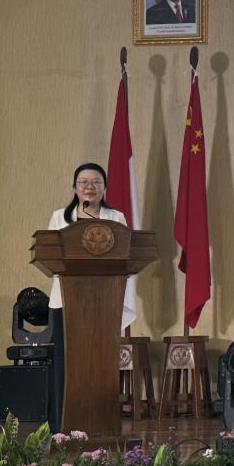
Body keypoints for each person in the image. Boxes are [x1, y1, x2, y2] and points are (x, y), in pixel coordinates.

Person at [45, 163, 139, 431]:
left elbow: (126, 253)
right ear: (74, 188)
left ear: (104, 188)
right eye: (83, 182)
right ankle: (61, 428)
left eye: (96, 182)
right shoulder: (60, 218)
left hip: (104, 303)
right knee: (67, 365)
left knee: (101, 364)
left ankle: (102, 426)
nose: (89, 187)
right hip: (66, 303)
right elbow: (49, 252)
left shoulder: (116, 218)